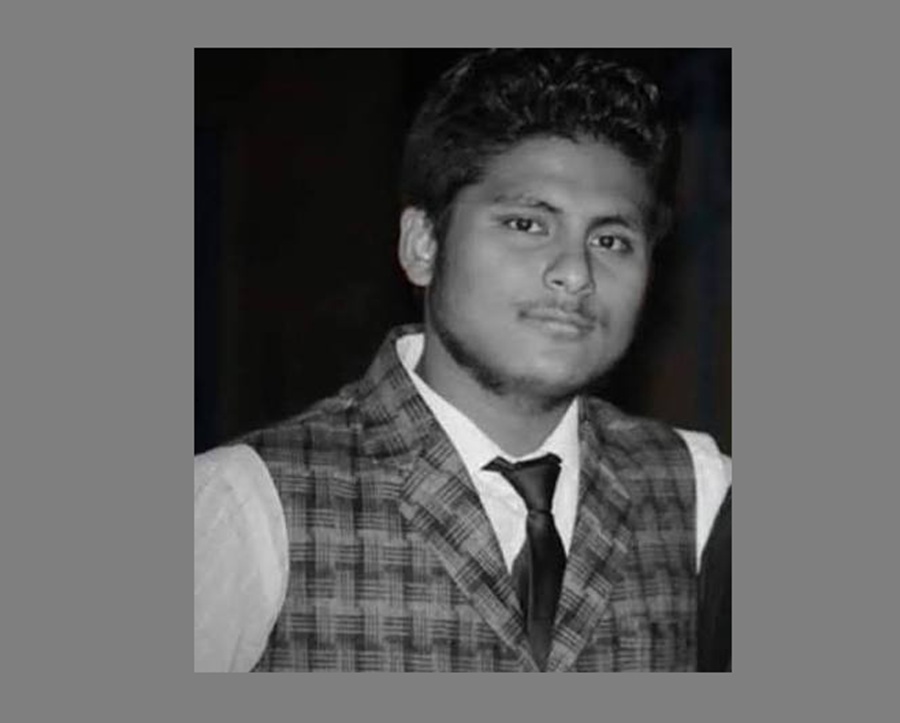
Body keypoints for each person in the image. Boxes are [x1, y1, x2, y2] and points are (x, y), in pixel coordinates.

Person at [194, 49, 731, 672]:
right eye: (527, 224)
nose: (575, 272)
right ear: (423, 246)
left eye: (610, 240)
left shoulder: (698, 488)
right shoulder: (247, 502)